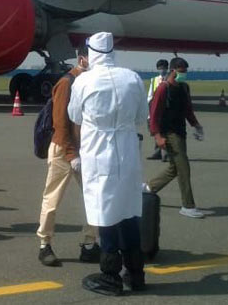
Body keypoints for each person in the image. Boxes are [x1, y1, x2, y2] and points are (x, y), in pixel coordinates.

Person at [68, 32, 148, 296]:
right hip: (127, 150)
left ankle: (110, 276)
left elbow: (74, 115)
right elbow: (141, 117)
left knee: (105, 213)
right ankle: (136, 273)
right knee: (129, 210)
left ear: (91, 53)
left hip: (98, 152)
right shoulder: (132, 78)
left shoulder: (84, 81)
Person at [37, 49, 100, 267]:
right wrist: (72, 154)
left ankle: (90, 243)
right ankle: (45, 244)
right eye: (93, 57)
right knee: (52, 199)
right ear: (82, 59)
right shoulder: (67, 83)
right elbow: (60, 123)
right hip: (63, 149)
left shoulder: (91, 81)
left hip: (85, 150)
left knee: (94, 198)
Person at [144, 57, 208, 219]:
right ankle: (188, 206)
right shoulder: (163, 89)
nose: (184, 74)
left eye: (185, 71)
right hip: (169, 133)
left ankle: (148, 188)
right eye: (181, 71)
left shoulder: (184, 87)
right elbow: (154, 114)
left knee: (175, 167)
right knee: (184, 167)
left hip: (180, 132)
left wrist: (196, 125)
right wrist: (157, 136)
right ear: (173, 70)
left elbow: (188, 110)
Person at [146, 59, 169, 161]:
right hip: (155, 108)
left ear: (167, 68)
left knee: (164, 132)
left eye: (163, 68)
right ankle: (157, 153)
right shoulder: (154, 80)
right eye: (160, 68)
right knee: (156, 131)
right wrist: (149, 111)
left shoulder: (170, 79)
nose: (162, 70)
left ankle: (165, 154)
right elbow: (150, 96)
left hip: (166, 109)